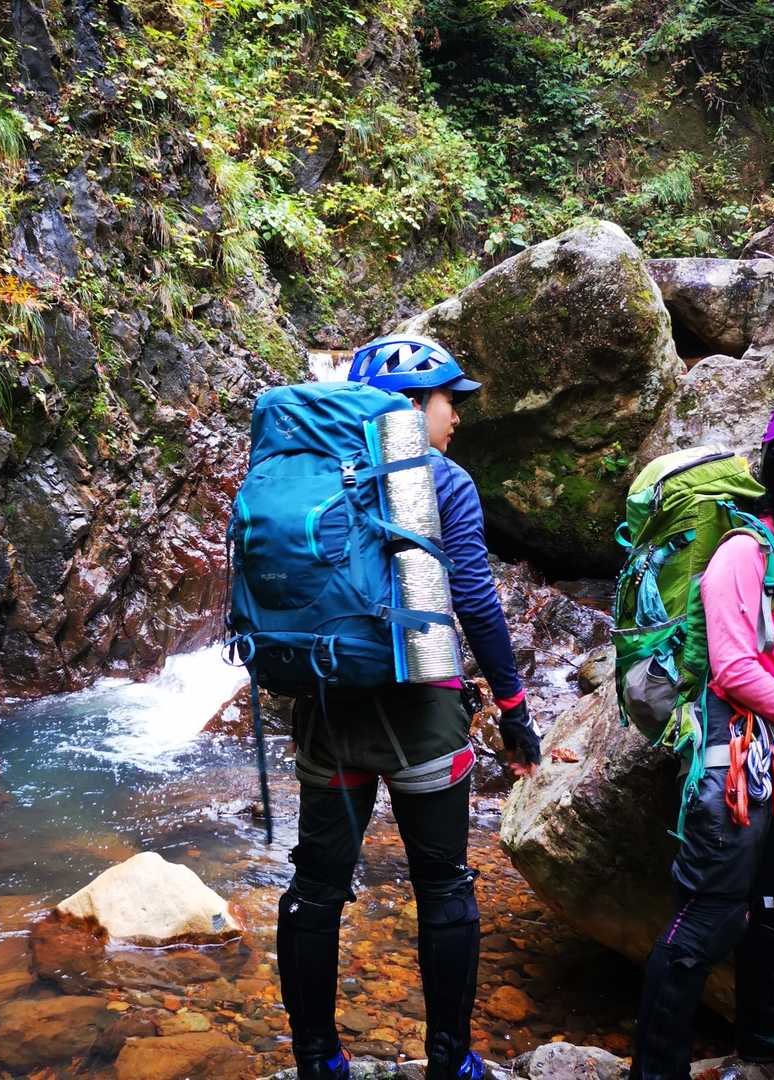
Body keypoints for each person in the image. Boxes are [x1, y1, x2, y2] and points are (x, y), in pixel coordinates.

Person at [276, 336, 541, 1080]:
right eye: (449, 400)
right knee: (444, 884)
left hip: (329, 709)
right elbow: (477, 602)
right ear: (412, 405)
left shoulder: (315, 473)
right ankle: (450, 1063)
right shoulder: (444, 481)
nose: (456, 416)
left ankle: (318, 1061)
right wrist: (514, 705)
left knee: (316, 888)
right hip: (421, 712)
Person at [630, 403, 774, 1079]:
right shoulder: (742, 555)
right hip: (734, 757)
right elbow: (734, 668)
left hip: (773, 758)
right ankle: (655, 1070)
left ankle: (764, 1044)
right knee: (707, 918)